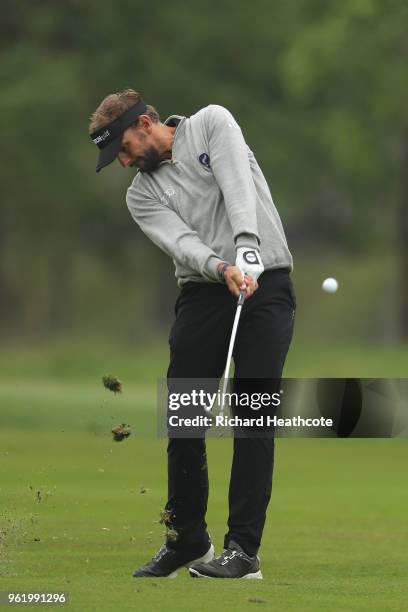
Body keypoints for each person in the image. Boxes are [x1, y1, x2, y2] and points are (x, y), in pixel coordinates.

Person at [89, 89, 296, 579]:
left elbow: (236, 184)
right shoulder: (141, 193)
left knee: (252, 417)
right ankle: (186, 539)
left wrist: (247, 247)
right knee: (183, 417)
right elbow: (180, 243)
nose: (122, 162)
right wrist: (221, 265)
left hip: (266, 281)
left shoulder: (211, 123)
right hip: (205, 292)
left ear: (144, 124)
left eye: (122, 148)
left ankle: (243, 550)